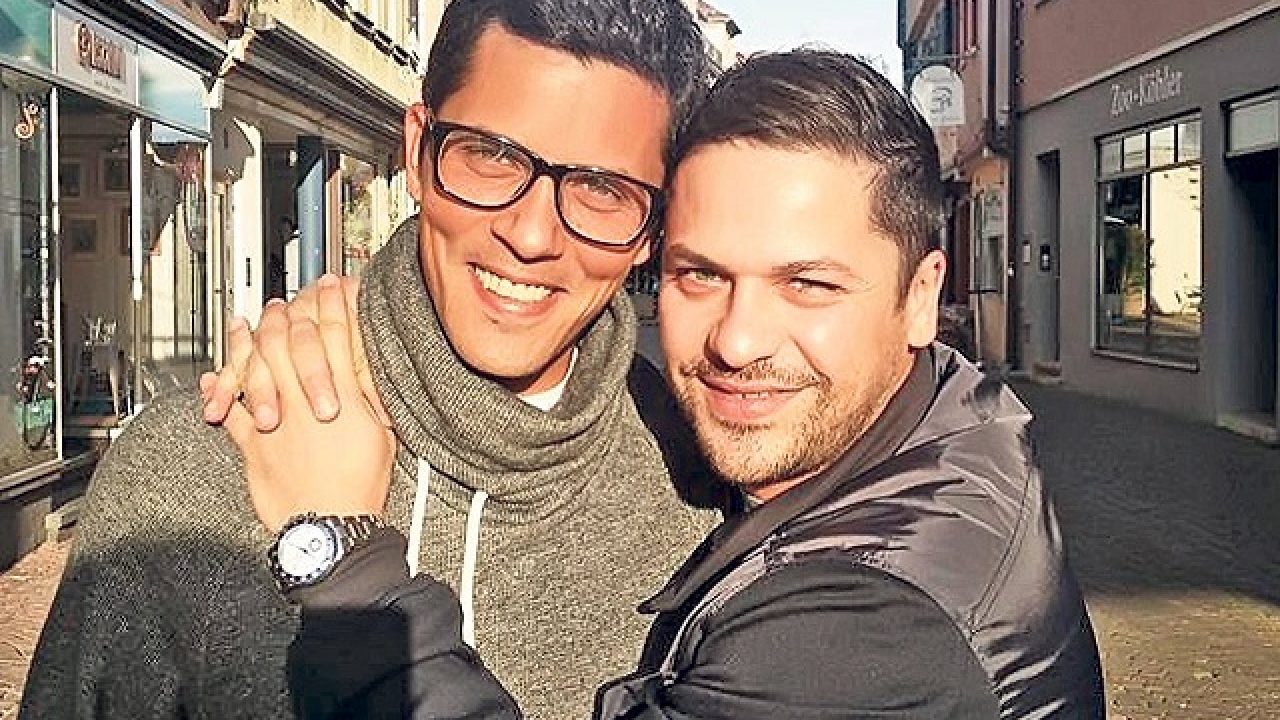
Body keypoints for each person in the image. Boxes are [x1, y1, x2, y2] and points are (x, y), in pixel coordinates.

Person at [219, 50, 1106, 718]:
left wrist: (344, 559)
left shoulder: (870, 629)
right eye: (700, 275)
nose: (737, 341)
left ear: (919, 299)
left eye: (808, 284)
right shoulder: (944, 429)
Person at [20, 2, 727, 718]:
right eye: (491, 155)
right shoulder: (192, 468)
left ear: (654, 227)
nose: (532, 235)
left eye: (603, 189)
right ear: (417, 153)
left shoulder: (706, 490)